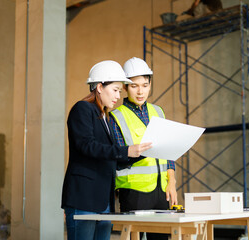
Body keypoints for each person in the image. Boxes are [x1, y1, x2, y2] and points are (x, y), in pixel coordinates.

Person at [61, 60, 152, 240]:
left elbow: (110, 157)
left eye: (119, 90)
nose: (118, 96)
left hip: (104, 201)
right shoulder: (82, 109)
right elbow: (87, 146)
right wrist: (125, 151)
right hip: (84, 198)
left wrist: (141, 152)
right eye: (115, 90)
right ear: (100, 87)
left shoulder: (105, 117)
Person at [110, 57, 178, 240]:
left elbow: (169, 151)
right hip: (134, 191)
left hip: (162, 189)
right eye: (134, 86)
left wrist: (171, 182)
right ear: (125, 87)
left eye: (145, 85)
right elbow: (118, 157)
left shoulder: (159, 111)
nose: (140, 91)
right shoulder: (116, 117)